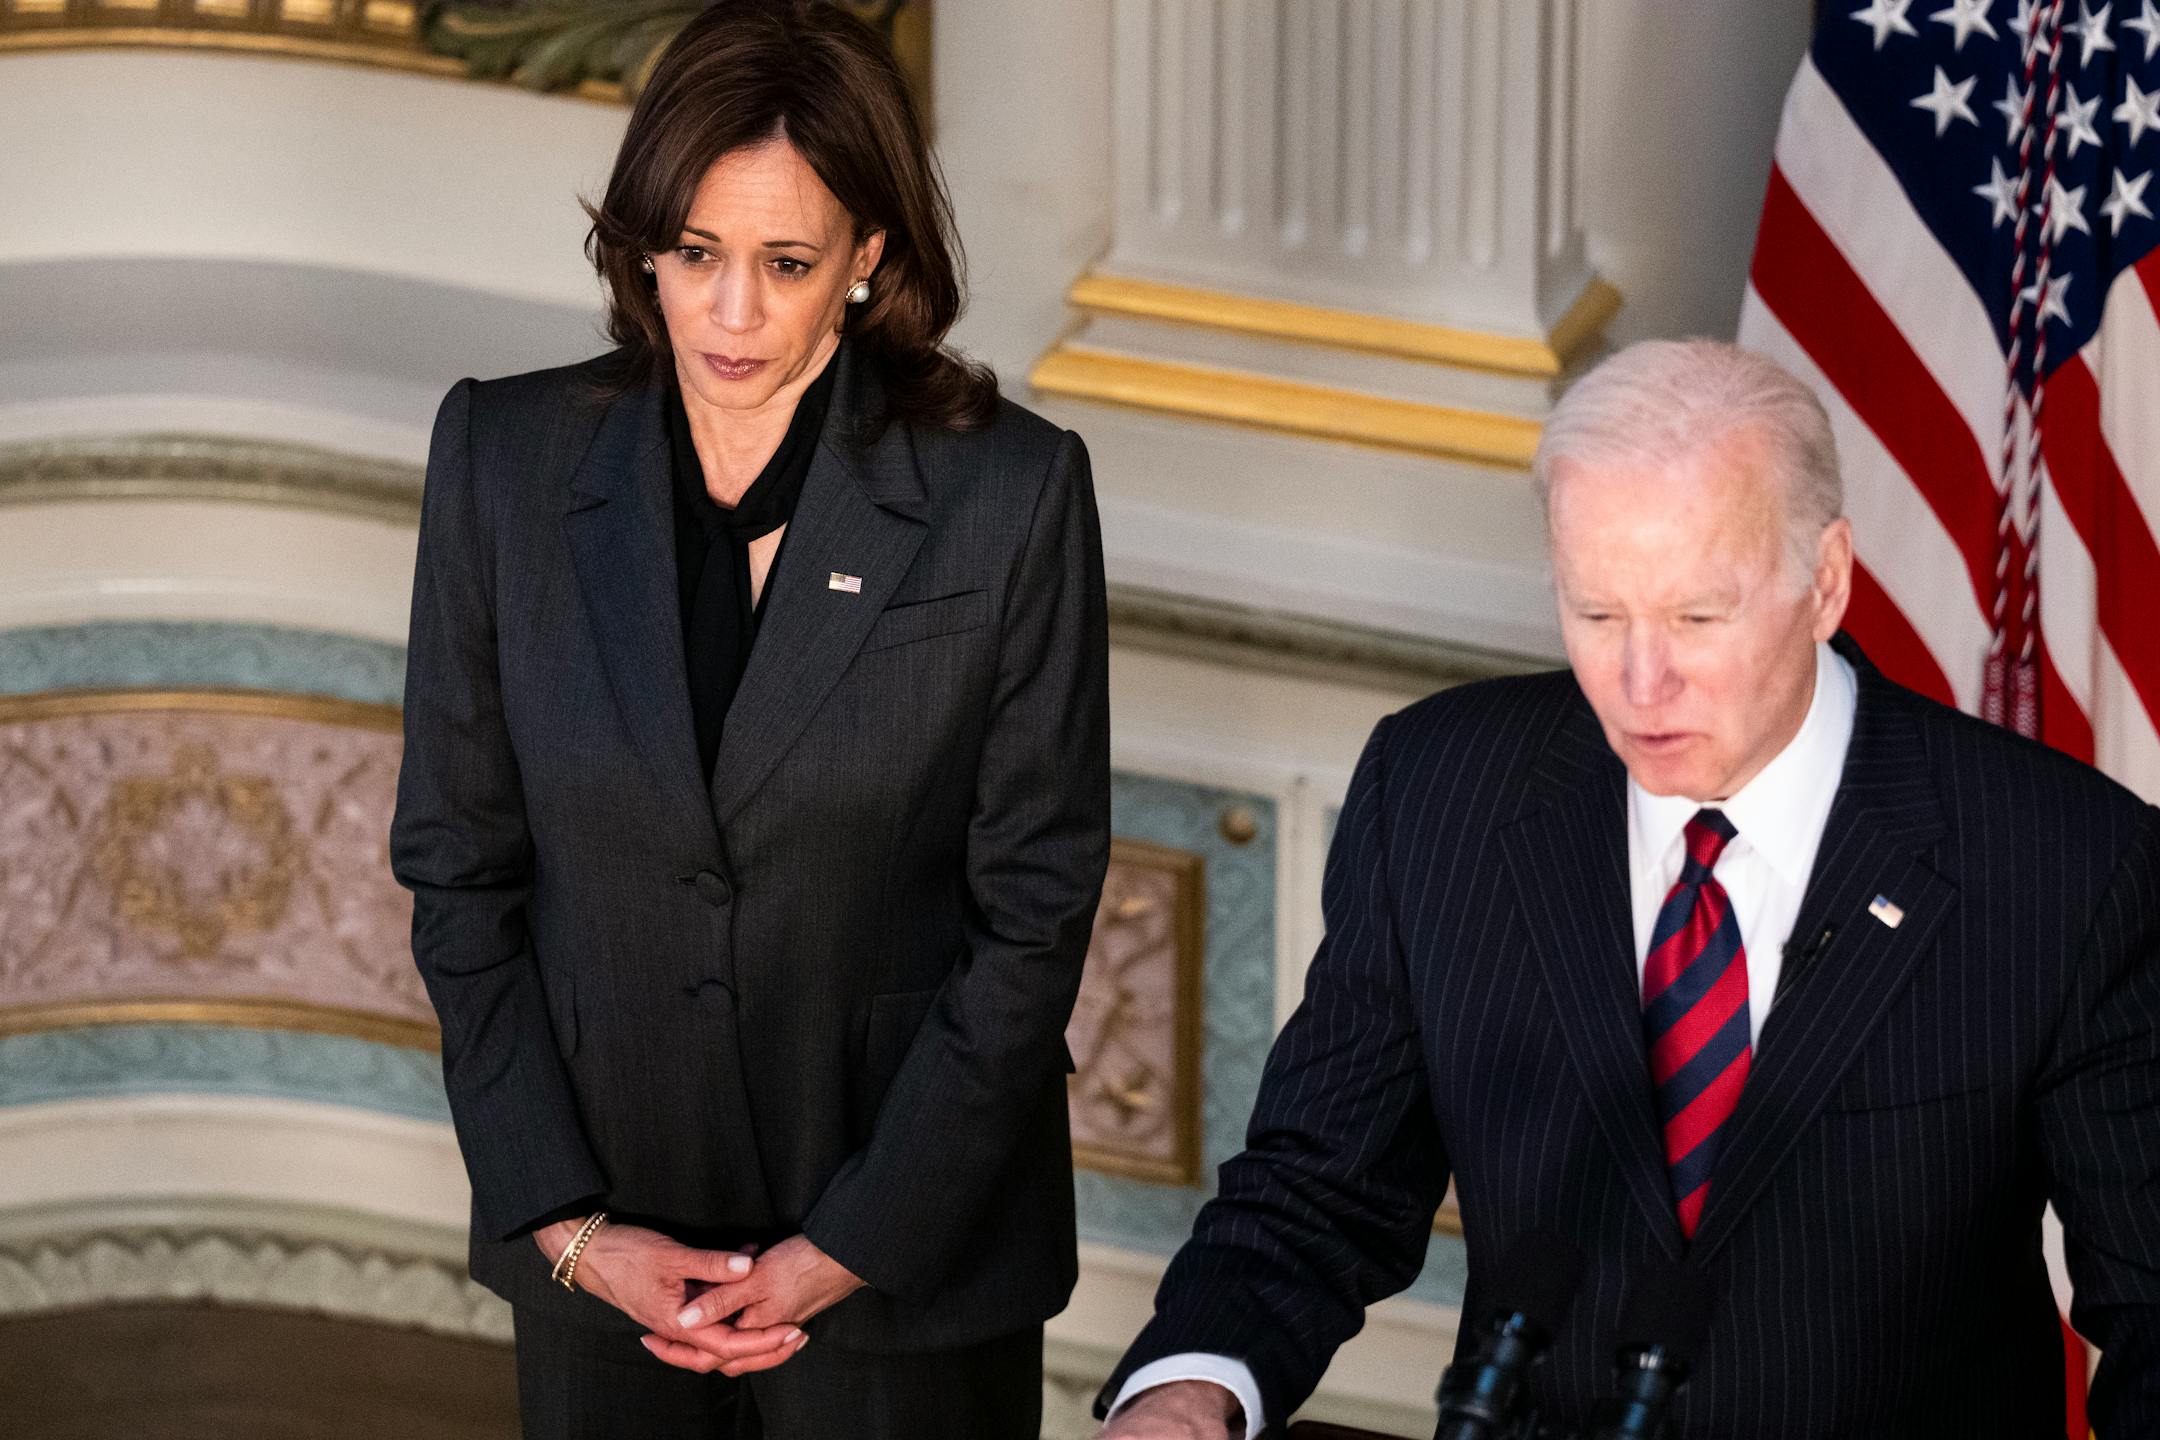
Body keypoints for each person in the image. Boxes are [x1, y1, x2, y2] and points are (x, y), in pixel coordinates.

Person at [1098, 340, 2160, 1438]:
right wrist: (1187, 1389)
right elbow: (1319, 1190)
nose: (1641, 683)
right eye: (1598, 616)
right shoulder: (1437, 795)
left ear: (1826, 581)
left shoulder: (2064, 868)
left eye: (1699, 619)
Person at [388, 3, 1109, 1436]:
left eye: (786, 264)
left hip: (903, 1254)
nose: (731, 314)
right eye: (697, 255)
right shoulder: (504, 462)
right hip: (606, 1249)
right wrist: (573, 1234)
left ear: (869, 260)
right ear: (643, 244)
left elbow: (1031, 914)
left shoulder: (1011, 495)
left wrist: (852, 1244)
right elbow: (458, 876)